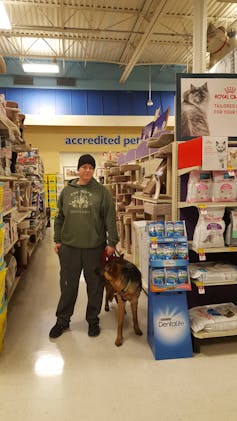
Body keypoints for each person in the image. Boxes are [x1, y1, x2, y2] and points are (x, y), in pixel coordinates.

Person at [49, 154, 119, 339]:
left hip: (94, 248)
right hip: (69, 248)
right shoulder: (67, 191)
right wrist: (57, 239)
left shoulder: (102, 192)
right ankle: (62, 320)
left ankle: (93, 320)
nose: (87, 170)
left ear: (93, 170)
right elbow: (59, 218)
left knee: (95, 286)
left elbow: (110, 218)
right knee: (68, 286)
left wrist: (112, 242)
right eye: (84, 167)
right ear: (78, 169)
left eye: (90, 167)